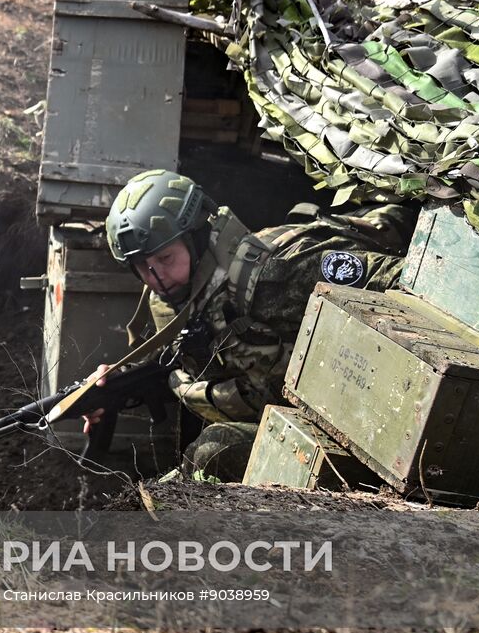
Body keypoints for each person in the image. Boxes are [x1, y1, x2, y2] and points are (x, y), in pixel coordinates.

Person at [93, 169, 416, 481]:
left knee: (213, 451)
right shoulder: (178, 297)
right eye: (142, 268)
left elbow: (405, 280)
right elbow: (179, 361)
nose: (158, 278)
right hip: (289, 421)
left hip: (364, 422)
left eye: (165, 259)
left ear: (197, 237)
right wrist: (116, 384)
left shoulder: (275, 272)